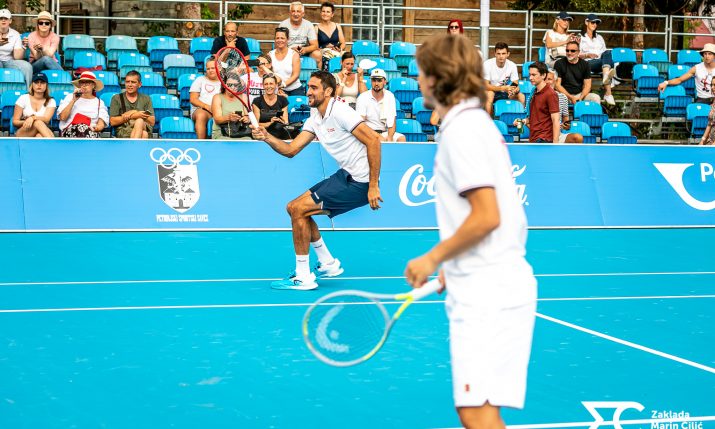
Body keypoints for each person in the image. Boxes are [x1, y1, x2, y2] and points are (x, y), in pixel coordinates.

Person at [405, 33, 536, 429]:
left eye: (421, 73)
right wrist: (455, 264)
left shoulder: (462, 131)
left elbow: (487, 215)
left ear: (437, 78)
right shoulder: (472, 123)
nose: (417, 80)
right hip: (492, 279)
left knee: (475, 411)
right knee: (480, 409)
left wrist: (433, 258)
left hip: (487, 290)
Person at [250, 70, 382, 290]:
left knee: (297, 208)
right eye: (308, 87)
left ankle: (303, 276)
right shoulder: (315, 118)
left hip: (360, 183)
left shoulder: (341, 112)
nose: (308, 92)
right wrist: (266, 137)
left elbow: (374, 140)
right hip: (345, 175)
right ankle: (327, 262)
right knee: (295, 209)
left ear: (328, 91)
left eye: (313, 88)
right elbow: (291, 150)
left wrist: (373, 185)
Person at [356, 68, 406, 142]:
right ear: (371, 81)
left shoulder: (389, 96)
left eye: (379, 80)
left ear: (385, 82)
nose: (376, 83)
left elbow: (392, 121)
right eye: (374, 80)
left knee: (401, 138)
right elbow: (360, 122)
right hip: (367, 132)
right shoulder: (363, 97)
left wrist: (390, 138)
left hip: (383, 132)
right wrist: (376, 136)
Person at [57, 71, 109, 138]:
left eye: (87, 83)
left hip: (91, 133)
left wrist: (96, 128)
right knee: (80, 128)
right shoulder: (70, 97)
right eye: (82, 83)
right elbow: (62, 117)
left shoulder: (99, 102)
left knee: (84, 129)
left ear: (93, 85)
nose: (84, 85)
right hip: (70, 132)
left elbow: (101, 124)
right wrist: (73, 100)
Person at [579, 14, 615, 105]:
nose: (595, 24)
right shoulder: (580, 37)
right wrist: (587, 55)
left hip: (601, 63)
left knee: (607, 53)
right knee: (609, 64)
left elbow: (604, 53)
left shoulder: (599, 37)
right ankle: (608, 93)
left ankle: (606, 75)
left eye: (596, 23)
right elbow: (575, 54)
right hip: (587, 63)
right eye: (592, 22)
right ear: (586, 22)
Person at [521, 61, 559, 143]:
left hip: (544, 139)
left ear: (543, 75)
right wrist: (522, 121)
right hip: (534, 138)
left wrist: (555, 144)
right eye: (530, 75)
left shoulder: (551, 94)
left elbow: (556, 120)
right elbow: (536, 118)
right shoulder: (533, 92)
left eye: (534, 75)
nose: (530, 78)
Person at [109, 70, 155, 139]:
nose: (129, 85)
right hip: (124, 131)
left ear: (140, 84)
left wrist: (133, 112)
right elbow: (112, 121)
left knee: (139, 121)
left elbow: (152, 121)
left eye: (133, 82)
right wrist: (134, 115)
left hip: (143, 126)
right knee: (144, 134)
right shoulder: (117, 98)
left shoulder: (146, 98)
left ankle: (133, 145)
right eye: (127, 82)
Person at [483, 42, 525, 116]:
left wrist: (514, 90)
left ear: (508, 54)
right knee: (490, 94)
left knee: (521, 96)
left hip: (505, 92)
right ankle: (489, 121)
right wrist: (502, 88)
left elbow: (515, 83)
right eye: (498, 53)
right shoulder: (487, 64)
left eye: (503, 53)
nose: (501, 56)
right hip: (491, 91)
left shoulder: (512, 65)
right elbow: (485, 86)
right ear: (495, 54)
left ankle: (520, 120)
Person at [544, 69, 583, 143]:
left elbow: (566, 119)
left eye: (549, 79)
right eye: (544, 79)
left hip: (558, 134)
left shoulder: (562, 97)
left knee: (577, 138)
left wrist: (566, 126)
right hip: (542, 135)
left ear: (555, 81)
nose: (546, 82)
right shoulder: (535, 96)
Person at [279, 1, 321, 69]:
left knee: (317, 54)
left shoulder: (308, 25)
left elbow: (315, 45)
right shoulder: (283, 25)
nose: (295, 14)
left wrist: (305, 49)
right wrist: (291, 50)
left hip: (304, 51)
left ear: (303, 14)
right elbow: (278, 45)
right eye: (293, 11)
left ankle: (318, 74)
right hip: (288, 51)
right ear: (290, 13)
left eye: (298, 11)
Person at [211, 73, 252, 140]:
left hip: (240, 133)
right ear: (224, 85)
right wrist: (229, 118)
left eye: (236, 85)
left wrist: (247, 118)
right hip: (221, 133)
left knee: (248, 140)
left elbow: (248, 115)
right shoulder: (217, 97)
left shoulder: (243, 96)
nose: (233, 87)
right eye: (230, 85)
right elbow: (217, 120)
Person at [12, 72, 55, 137]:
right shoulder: (23, 98)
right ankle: (52, 142)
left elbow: (46, 119)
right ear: (32, 84)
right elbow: (15, 121)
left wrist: (32, 118)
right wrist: (28, 122)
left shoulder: (51, 101)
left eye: (42, 82)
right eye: (36, 82)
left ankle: (50, 142)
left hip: (42, 131)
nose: (39, 85)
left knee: (39, 136)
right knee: (38, 122)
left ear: (46, 85)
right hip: (24, 131)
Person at [189, 56, 221, 139]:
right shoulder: (200, 80)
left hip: (219, 110)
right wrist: (207, 107)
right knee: (201, 115)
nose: (210, 70)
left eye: (213, 68)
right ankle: (200, 143)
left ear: (219, 68)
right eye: (208, 69)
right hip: (202, 109)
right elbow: (193, 99)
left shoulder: (224, 82)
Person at [0, 9, 33, 87]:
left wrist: (23, 46)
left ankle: (29, 90)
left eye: (6, 18)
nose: (3, 20)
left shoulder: (15, 34)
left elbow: (17, 57)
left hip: (9, 61)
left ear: (10, 21)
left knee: (27, 66)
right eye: (1, 18)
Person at [251, 74, 290, 139]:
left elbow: (286, 122)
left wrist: (282, 122)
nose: (268, 86)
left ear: (276, 85)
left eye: (271, 84)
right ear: (263, 86)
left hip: (279, 133)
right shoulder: (257, 101)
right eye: (266, 84)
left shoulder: (283, 100)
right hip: (262, 134)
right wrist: (270, 123)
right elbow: (256, 124)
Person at [270, 27, 303, 96]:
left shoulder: (294, 54)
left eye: (282, 38)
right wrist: (277, 88)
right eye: (277, 38)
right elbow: (269, 74)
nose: (280, 40)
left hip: (295, 89)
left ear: (288, 39)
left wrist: (283, 85)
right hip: (277, 89)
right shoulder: (270, 55)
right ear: (274, 39)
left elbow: (296, 75)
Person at [315, 2, 345, 71]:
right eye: (323, 11)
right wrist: (325, 47)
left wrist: (339, 49)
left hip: (336, 51)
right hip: (323, 52)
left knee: (347, 56)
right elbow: (315, 46)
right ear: (320, 13)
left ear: (332, 14)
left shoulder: (337, 26)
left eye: (328, 12)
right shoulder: (316, 28)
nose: (325, 14)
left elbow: (343, 43)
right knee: (327, 57)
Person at [699, 80, 715, 144]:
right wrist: (702, 141)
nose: (712, 87)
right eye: (711, 85)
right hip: (711, 140)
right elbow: (709, 124)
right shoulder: (713, 103)